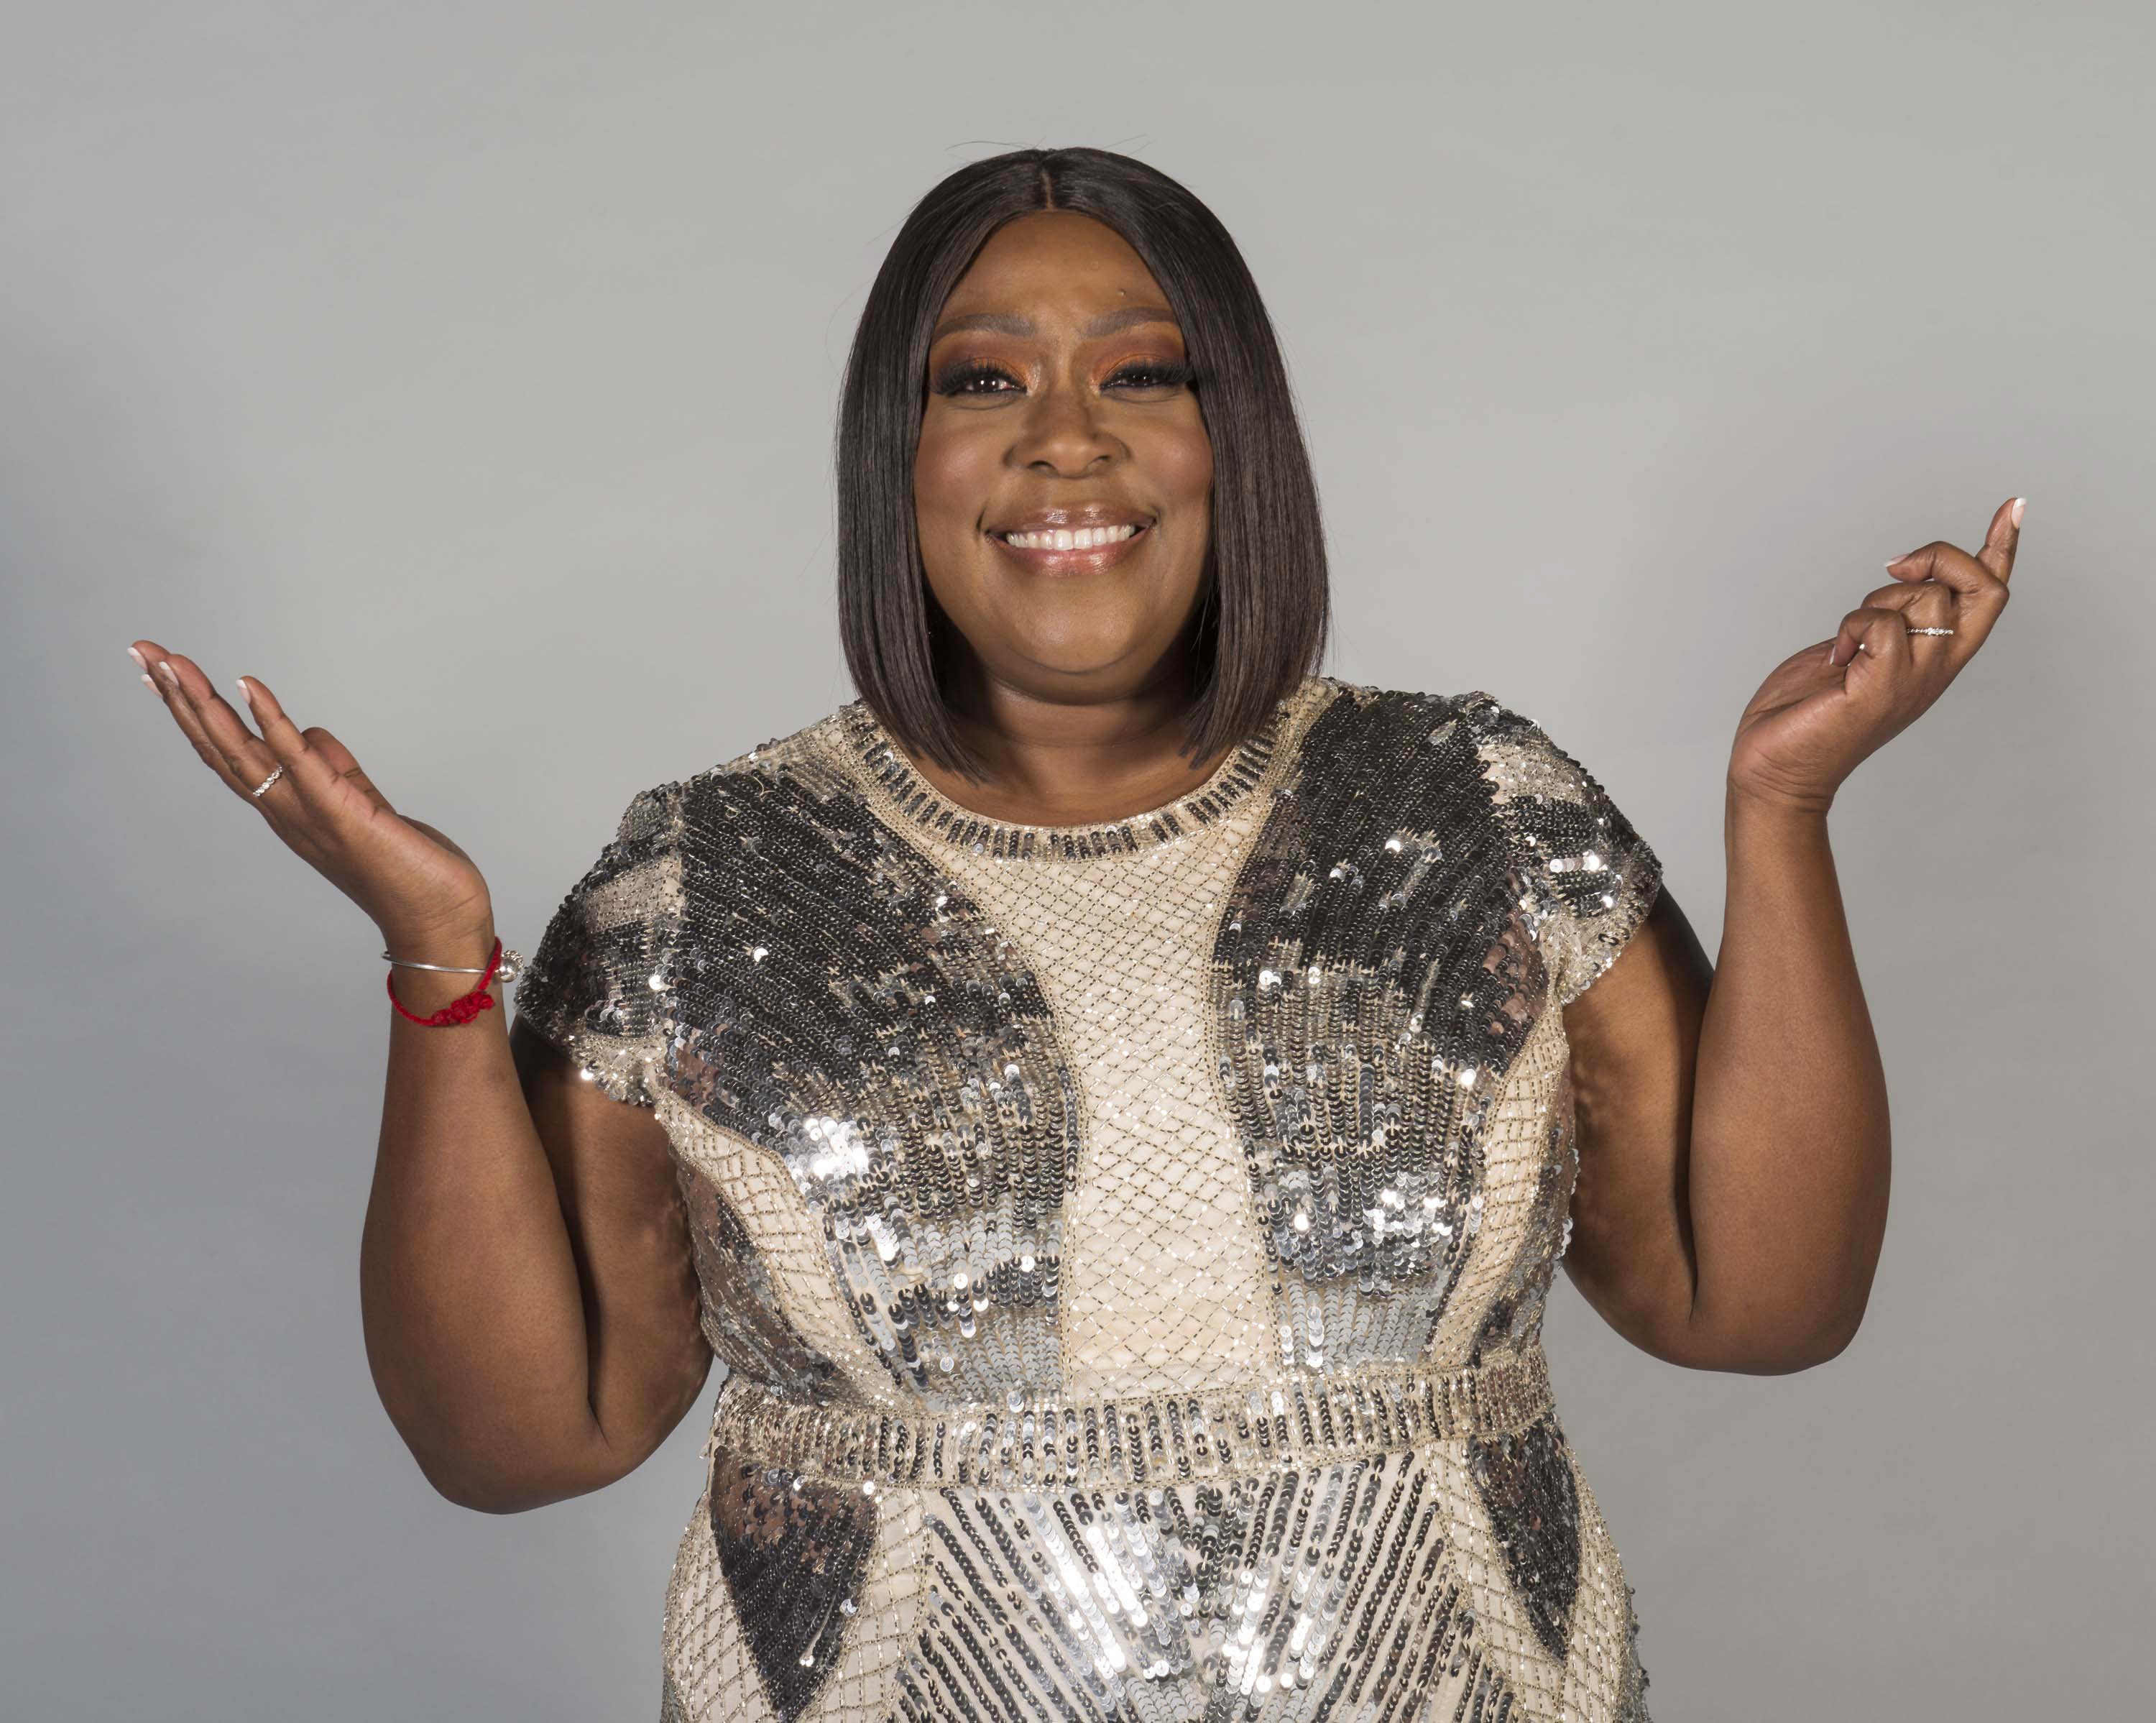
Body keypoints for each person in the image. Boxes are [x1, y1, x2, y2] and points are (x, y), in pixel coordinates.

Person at [129, 145, 2021, 1722]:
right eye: (980, 381)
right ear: (902, 456)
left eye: (1142, 375)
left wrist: (1782, 810)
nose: (1062, 445)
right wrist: (438, 962)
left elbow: (1760, 1306)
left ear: (1234, 437)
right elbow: (518, 1441)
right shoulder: (702, 885)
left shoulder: (1474, 811)